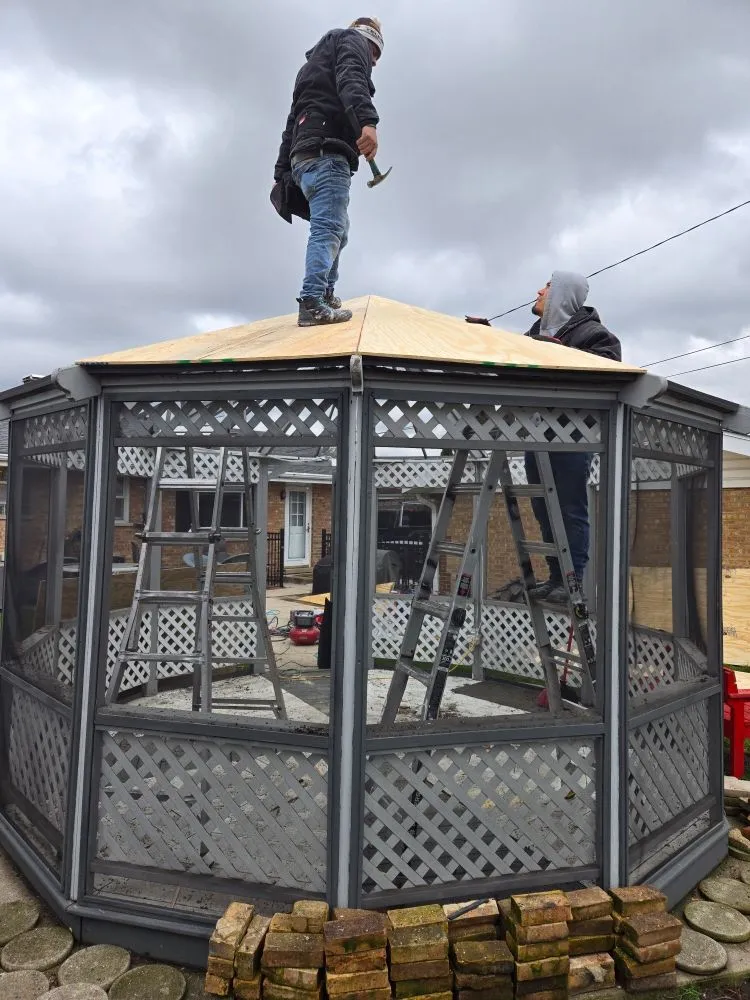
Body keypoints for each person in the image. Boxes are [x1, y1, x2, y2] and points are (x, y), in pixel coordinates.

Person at [272, 17, 383, 327]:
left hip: (303, 158)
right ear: (372, 44)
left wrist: (281, 171)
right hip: (327, 153)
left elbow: (291, 122)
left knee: (338, 229)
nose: (373, 64)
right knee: (329, 228)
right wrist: (367, 122)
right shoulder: (353, 42)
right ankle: (312, 301)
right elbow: (352, 79)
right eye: (375, 57)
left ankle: (327, 293)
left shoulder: (309, 69)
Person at [523, 270, 622, 604]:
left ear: (563, 294)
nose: (538, 290)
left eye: (547, 286)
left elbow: (609, 372)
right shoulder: (532, 333)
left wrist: (560, 352)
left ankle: (572, 580)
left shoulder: (594, 335)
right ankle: (555, 576)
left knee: (569, 507)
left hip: (570, 437)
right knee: (542, 506)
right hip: (536, 435)